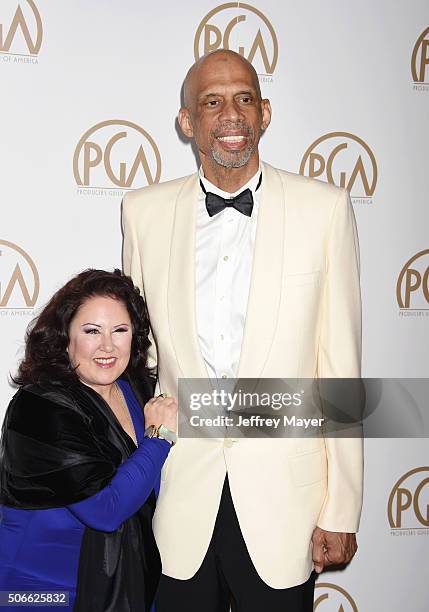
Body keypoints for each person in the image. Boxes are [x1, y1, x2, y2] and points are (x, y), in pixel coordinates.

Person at [122, 50, 363, 611]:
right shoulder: (143, 213)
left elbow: (340, 368)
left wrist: (341, 506)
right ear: (187, 122)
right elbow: (140, 359)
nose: (231, 114)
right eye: (212, 102)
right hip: (180, 495)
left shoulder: (323, 209)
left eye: (244, 98)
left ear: (266, 112)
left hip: (287, 504)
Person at [0, 269, 177, 611]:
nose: (107, 346)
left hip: (130, 583)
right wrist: (159, 437)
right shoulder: (39, 407)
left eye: (120, 330)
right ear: (65, 336)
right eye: (92, 331)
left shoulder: (137, 391)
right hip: (43, 590)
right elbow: (105, 511)